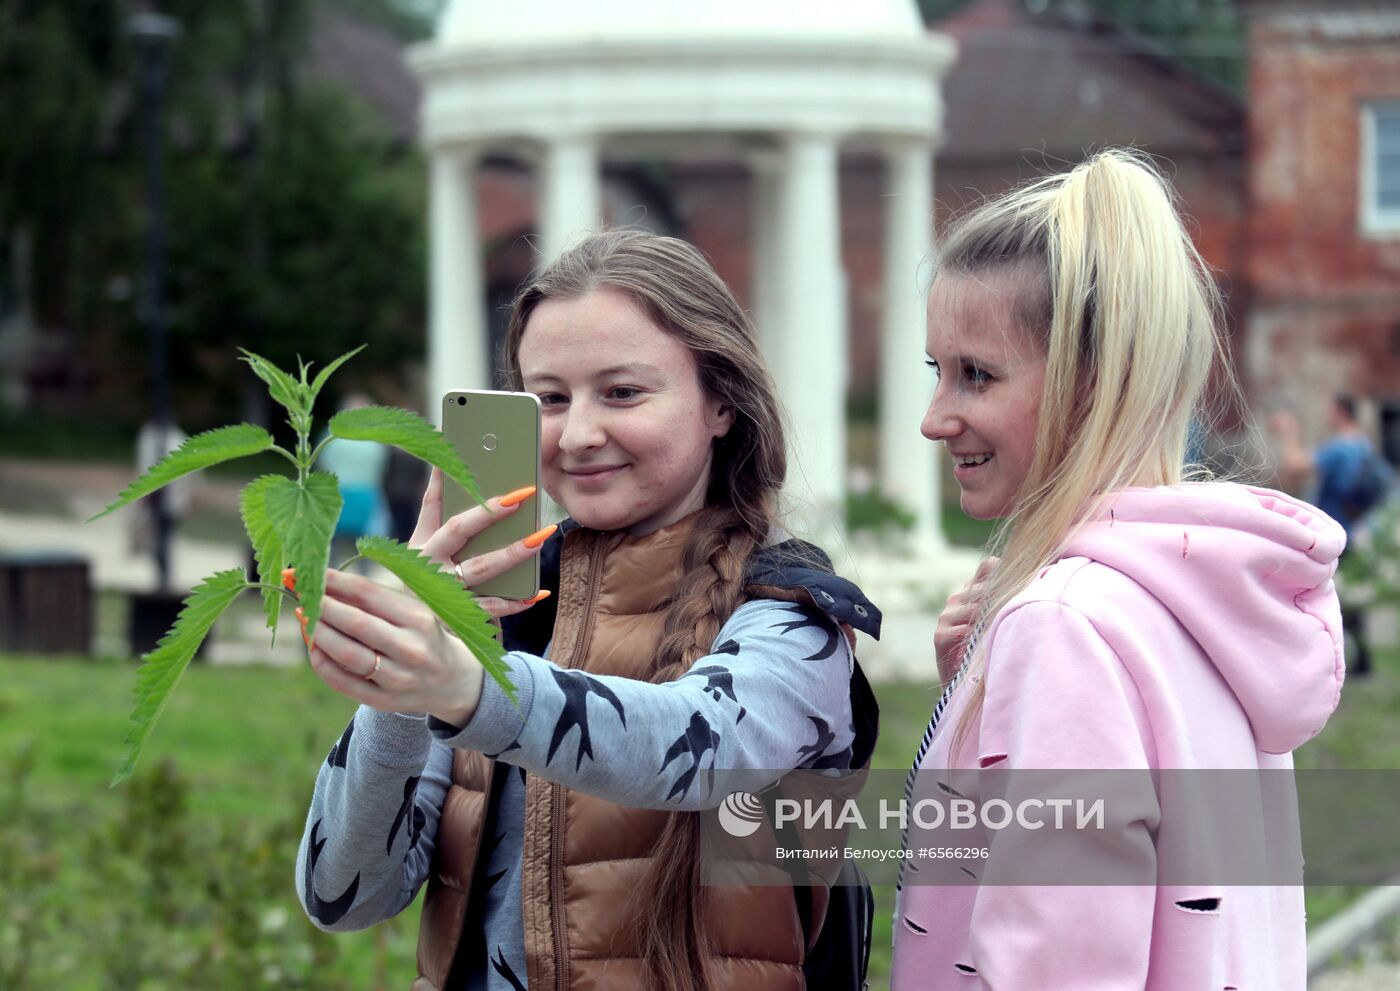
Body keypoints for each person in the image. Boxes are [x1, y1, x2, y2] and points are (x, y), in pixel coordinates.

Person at [292, 230, 881, 991]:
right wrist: (398, 690)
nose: (577, 434)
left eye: (622, 392)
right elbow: (343, 892)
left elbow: (698, 747)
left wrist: (464, 689)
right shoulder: (493, 613)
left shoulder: (789, 611)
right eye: (551, 398)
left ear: (723, 404)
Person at [891, 150, 1345, 989]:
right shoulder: (1207, 602)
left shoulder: (1065, 625)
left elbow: (1054, 962)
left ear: (1087, 382)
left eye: (976, 375)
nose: (934, 417)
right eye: (937, 371)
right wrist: (978, 706)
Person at [1274, 396, 1388, 675]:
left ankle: (1332, 660)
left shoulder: (1340, 449)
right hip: (1355, 530)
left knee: (1322, 595)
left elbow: (1295, 467)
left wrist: (1289, 433)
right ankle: (1361, 661)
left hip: (1331, 533)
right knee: (1348, 597)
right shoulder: (1363, 446)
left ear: (1339, 412)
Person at [318, 392, 391, 571]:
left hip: (337, 492)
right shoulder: (375, 439)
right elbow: (380, 467)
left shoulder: (332, 436)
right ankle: (364, 582)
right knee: (364, 547)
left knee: (332, 544)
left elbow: (323, 464)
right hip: (365, 494)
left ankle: (329, 581)